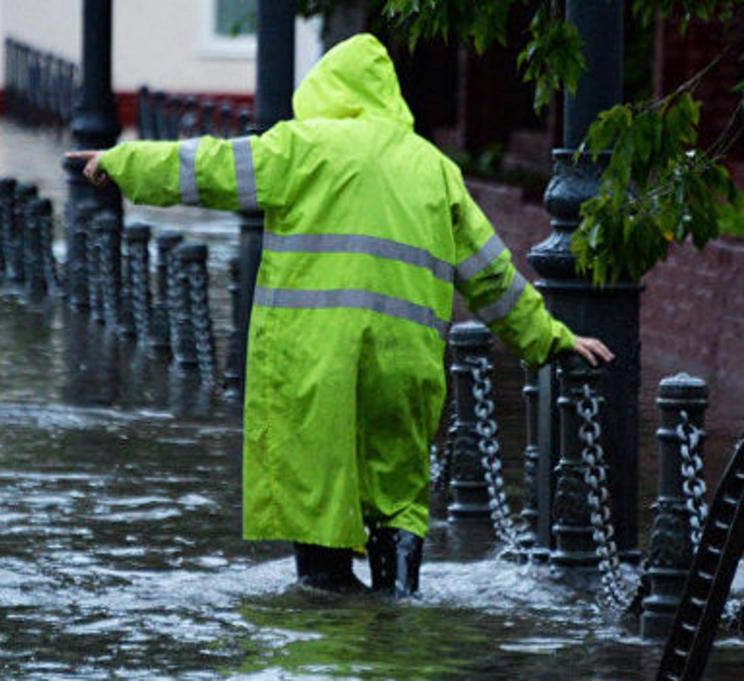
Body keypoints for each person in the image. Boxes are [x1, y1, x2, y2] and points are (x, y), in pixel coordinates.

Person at [67, 33, 613, 597]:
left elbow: (208, 167)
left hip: (315, 364)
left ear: (327, 89)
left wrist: (122, 163)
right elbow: (491, 275)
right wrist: (551, 338)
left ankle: (331, 631)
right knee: (400, 498)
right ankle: (396, 615)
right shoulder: (434, 168)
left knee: (316, 492)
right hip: (406, 366)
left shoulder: (301, 147)